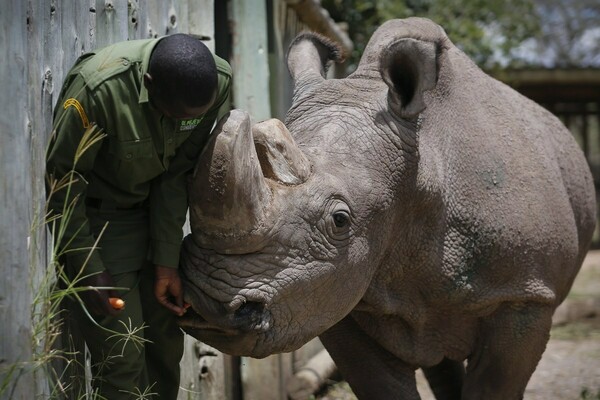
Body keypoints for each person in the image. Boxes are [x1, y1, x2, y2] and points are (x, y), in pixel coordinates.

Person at [46, 33, 232, 399]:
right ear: (149, 85)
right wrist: (88, 267)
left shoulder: (215, 83)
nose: (181, 122)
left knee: (164, 349)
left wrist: (166, 263)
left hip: (159, 220)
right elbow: (63, 186)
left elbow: (178, 173)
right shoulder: (97, 89)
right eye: (173, 115)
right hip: (101, 227)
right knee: (122, 361)